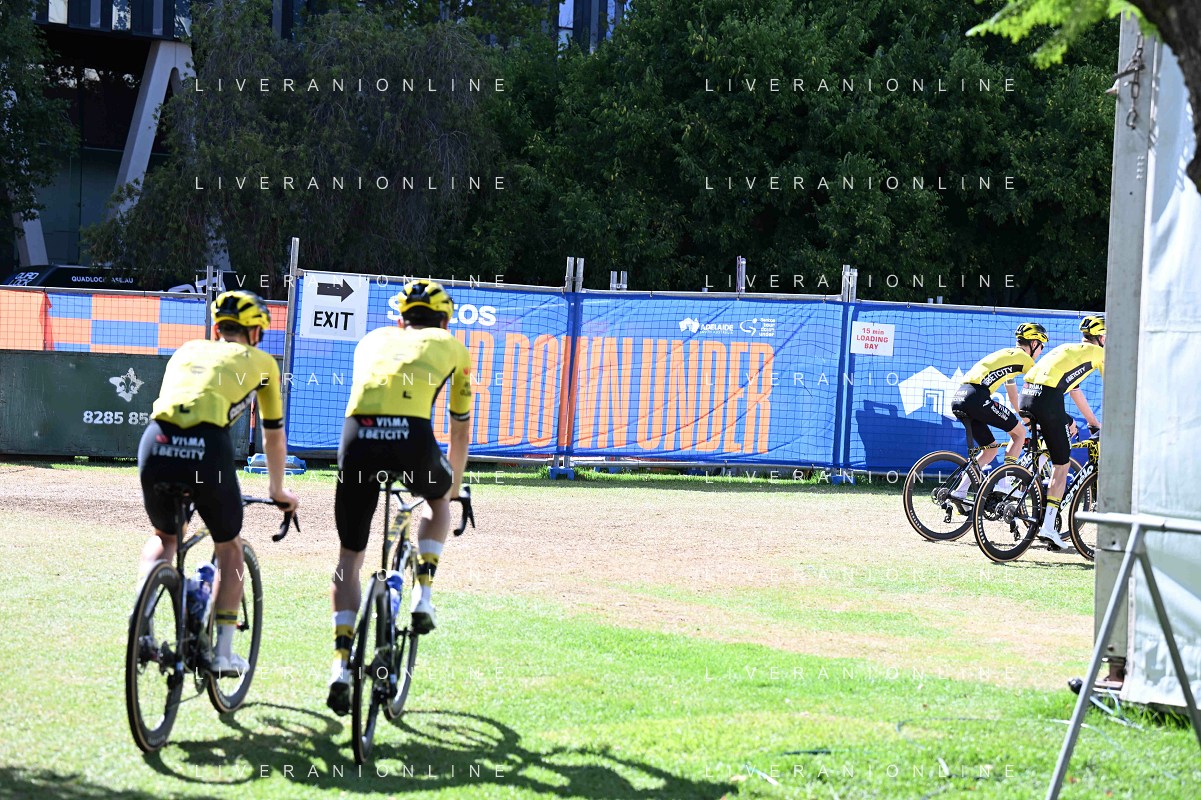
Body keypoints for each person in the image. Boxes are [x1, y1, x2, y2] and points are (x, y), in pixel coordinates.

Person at [327, 280, 473, 716]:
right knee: (436, 501)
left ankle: (339, 665)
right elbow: (460, 430)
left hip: (358, 439)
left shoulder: (372, 339)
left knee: (349, 558)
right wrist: (452, 487)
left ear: (400, 319)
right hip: (412, 441)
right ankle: (422, 593)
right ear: (444, 322)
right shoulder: (453, 347)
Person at [136, 290, 299, 675]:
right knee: (229, 548)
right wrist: (278, 490)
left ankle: (141, 619)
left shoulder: (186, 350)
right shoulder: (263, 363)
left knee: (165, 537)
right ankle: (223, 653)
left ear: (217, 328)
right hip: (207, 449)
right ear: (255, 332)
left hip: (155, 441)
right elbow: (273, 437)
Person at [1018, 315, 1106, 550]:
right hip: (1047, 397)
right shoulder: (1099, 353)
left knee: (1050, 446)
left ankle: (1025, 487)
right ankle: (1048, 527)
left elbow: (1074, 391)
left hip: (1026, 395)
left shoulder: (1070, 350)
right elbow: (1115, 388)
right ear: (1102, 338)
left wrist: (1093, 422)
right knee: (1062, 464)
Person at [949, 322, 1049, 498]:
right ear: (1034, 344)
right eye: (1042, 346)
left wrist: (1028, 421)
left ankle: (960, 492)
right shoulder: (1025, 359)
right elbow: (1039, 389)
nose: (1041, 351)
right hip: (976, 397)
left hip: (959, 397)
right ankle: (1005, 484)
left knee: (990, 450)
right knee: (1019, 434)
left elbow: (1014, 397)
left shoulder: (1008, 357)